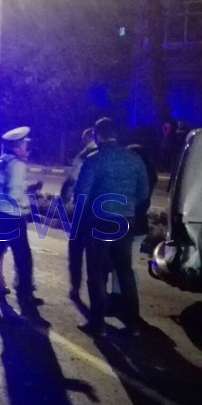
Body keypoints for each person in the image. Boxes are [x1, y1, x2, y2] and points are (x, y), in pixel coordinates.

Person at [74, 118, 150, 337]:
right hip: (126, 221)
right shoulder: (134, 158)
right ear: (116, 134)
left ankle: (98, 324)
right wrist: (127, 207)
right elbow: (143, 192)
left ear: (97, 136)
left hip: (99, 222)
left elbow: (81, 193)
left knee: (97, 272)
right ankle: (133, 324)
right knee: (125, 271)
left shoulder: (94, 159)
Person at [0, 126, 42, 309]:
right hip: (12, 215)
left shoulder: (3, 160)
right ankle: (25, 296)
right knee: (23, 257)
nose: (27, 147)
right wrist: (26, 206)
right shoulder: (17, 164)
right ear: (18, 145)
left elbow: (2, 185)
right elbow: (14, 193)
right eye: (25, 144)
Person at [110, 143, 158, 296]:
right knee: (128, 265)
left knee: (123, 265)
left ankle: (122, 297)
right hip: (139, 226)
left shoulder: (134, 178)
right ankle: (124, 296)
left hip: (129, 226)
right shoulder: (148, 175)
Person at [61, 128, 98, 300]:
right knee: (96, 252)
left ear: (87, 138)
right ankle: (99, 292)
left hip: (83, 209)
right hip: (103, 211)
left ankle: (75, 287)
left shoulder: (84, 156)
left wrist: (65, 198)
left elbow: (72, 180)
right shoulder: (107, 155)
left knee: (76, 248)